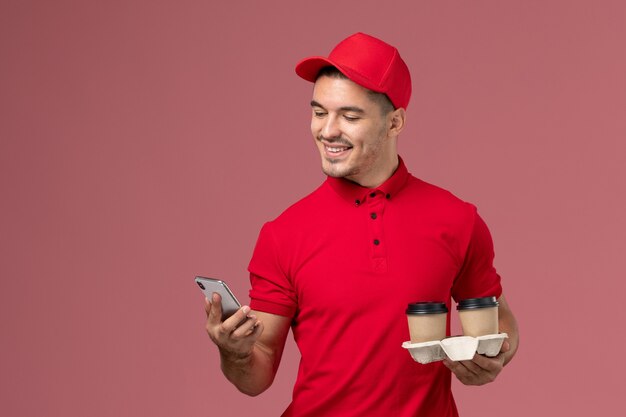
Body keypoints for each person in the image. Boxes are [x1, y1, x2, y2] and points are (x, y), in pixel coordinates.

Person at [204, 32, 519, 416]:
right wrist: (233, 352)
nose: (327, 130)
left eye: (349, 116)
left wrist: (494, 356)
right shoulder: (282, 234)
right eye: (319, 112)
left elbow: (497, 314)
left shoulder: (457, 219)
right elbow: (257, 373)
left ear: (395, 123)